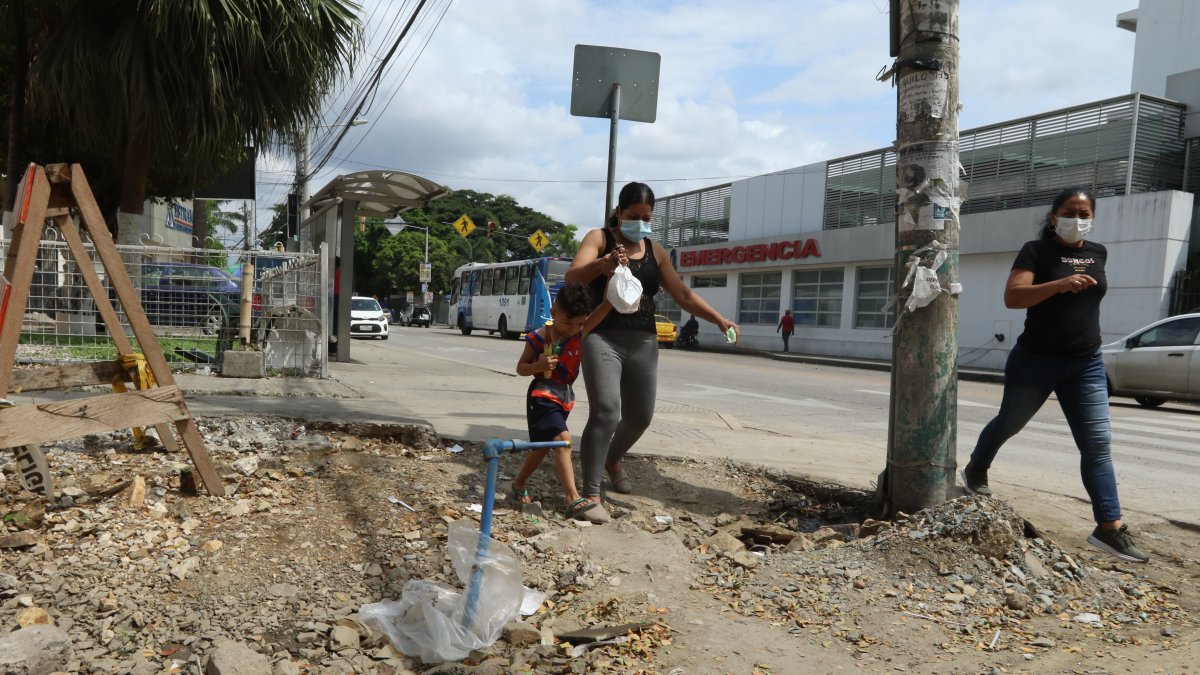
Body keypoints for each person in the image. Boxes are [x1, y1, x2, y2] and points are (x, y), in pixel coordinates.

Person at [960, 187, 1148, 563]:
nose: (1077, 218)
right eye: (1069, 211)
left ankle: (1108, 528)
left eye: (1083, 212)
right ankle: (976, 469)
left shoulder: (1098, 253)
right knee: (1009, 423)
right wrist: (1059, 285)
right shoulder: (1036, 250)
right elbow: (1014, 297)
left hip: (1086, 363)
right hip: (1036, 360)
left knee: (1097, 443)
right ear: (1053, 216)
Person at [566, 181, 739, 522]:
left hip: (643, 340)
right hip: (601, 335)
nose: (641, 223)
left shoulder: (655, 250)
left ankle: (613, 460)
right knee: (606, 412)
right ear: (618, 213)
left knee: (640, 417)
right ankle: (591, 494)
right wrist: (601, 266)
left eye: (647, 217)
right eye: (633, 216)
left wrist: (719, 319)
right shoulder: (599, 238)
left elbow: (683, 296)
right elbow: (573, 277)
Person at [510, 282, 601, 521]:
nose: (573, 328)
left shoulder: (580, 332)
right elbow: (521, 368)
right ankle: (572, 498)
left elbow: (605, 309)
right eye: (567, 322)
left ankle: (518, 484)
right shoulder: (539, 338)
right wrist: (538, 366)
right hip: (541, 395)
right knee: (564, 440)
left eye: (580, 323)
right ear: (553, 313)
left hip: (564, 396)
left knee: (541, 447)